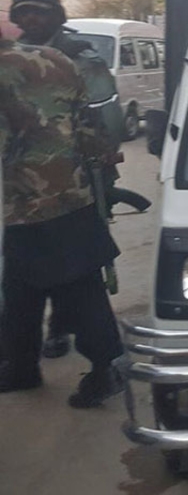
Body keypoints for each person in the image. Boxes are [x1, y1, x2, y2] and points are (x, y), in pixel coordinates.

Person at [9, 0, 141, 359]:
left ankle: (63, 329)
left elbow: (106, 119)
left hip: (78, 178)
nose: (31, 19)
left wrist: (94, 160)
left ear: (57, 15)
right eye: (24, 12)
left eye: (39, 11)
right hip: (23, 185)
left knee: (75, 266)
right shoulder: (13, 58)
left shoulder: (80, 57)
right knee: (25, 267)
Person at [0, 28, 125, 408]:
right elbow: (89, 125)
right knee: (24, 287)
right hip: (73, 192)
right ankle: (21, 367)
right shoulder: (56, 59)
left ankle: (107, 368)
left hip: (29, 200)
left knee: (75, 290)